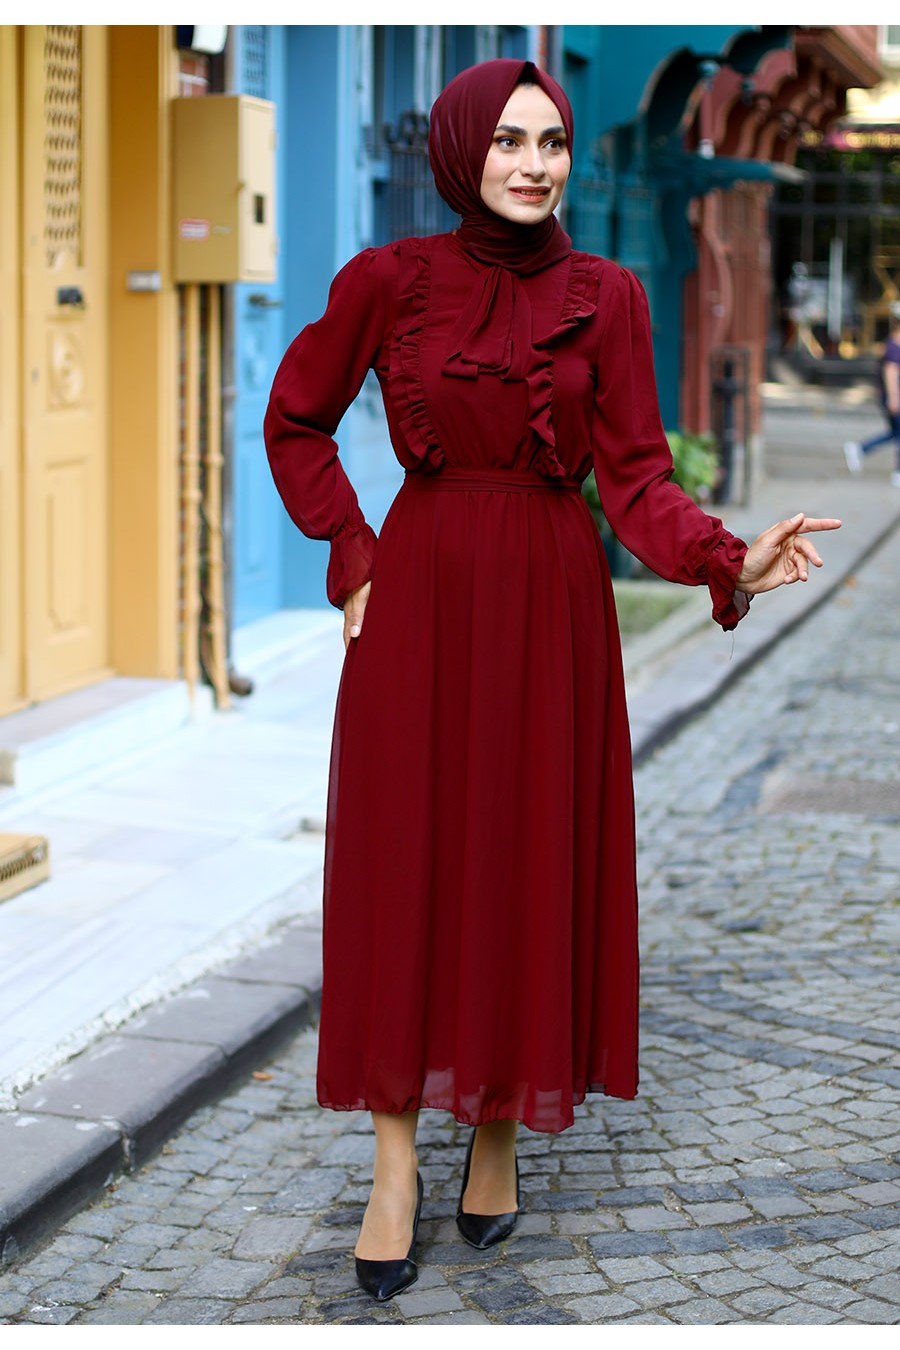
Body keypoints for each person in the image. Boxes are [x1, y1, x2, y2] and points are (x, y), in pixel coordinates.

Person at [264, 58, 841, 1303]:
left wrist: (724, 556)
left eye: (556, 142)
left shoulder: (610, 295)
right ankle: (392, 1163)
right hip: (418, 602)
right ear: (463, 146)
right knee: (406, 862)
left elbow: (633, 476)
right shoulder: (390, 280)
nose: (536, 163)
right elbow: (296, 417)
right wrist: (353, 552)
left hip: (552, 605)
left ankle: (500, 1129)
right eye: (512, 140)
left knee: (523, 856)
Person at [844, 303, 900, 485]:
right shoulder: (893, 347)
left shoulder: (892, 344)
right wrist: (894, 398)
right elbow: (890, 373)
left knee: (895, 433)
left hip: (892, 397)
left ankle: (860, 449)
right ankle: (897, 472)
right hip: (894, 398)